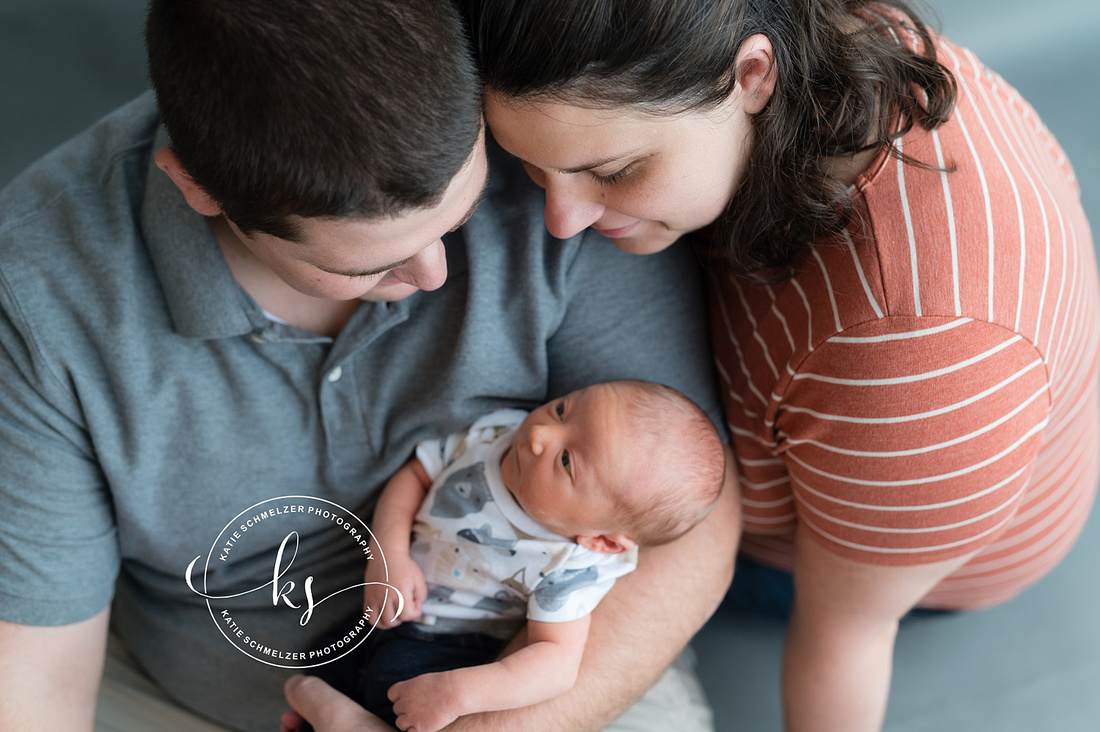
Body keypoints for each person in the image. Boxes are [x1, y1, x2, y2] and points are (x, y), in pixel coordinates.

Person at [0, 1, 739, 732]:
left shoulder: (547, 148)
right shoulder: (40, 300)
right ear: (199, 188)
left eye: (461, 214)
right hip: (198, 699)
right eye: (374, 265)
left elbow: (690, 518)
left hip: (541, 693)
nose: (435, 276)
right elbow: (36, 686)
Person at [462, 0, 1100, 730]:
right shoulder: (817, 32)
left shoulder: (918, 356)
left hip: (865, 563)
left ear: (753, 76)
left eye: (611, 170)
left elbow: (850, 637)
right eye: (534, 170)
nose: (561, 222)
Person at [354, 380, 724, 732]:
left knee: (397, 692)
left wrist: (457, 692)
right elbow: (416, 476)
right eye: (563, 410)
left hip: (450, 646)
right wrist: (388, 555)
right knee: (333, 658)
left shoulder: (569, 564)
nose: (537, 435)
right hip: (383, 599)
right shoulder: (494, 434)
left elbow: (555, 663)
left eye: (566, 462)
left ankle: (332, 709)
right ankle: (324, 703)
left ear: (603, 542)